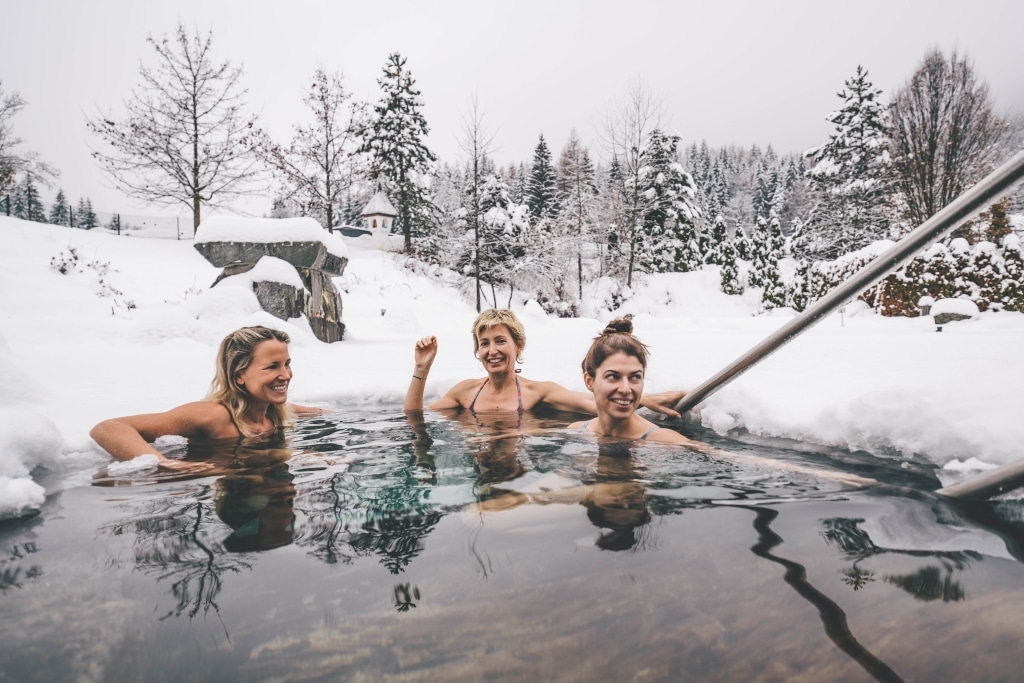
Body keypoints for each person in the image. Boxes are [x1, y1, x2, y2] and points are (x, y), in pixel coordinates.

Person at [90, 325, 322, 471]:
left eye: (287, 364)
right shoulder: (213, 414)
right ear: (239, 375)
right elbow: (107, 428)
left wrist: (326, 414)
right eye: (272, 367)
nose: (286, 375)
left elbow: (298, 410)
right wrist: (164, 463)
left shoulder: (270, 411)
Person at [403, 308, 685, 418]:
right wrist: (421, 369)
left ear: (518, 345)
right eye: (484, 343)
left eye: (500, 341)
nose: (492, 351)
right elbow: (415, 416)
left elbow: (591, 402)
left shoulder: (537, 391)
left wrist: (642, 399)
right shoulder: (465, 392)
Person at [569, 318, 699, 445]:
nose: (626, 389)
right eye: (613, 377)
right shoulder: (576, 431)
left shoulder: (667, 441)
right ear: (589, 381)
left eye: (635, 377)